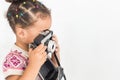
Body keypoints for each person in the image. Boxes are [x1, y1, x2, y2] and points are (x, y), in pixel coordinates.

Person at [2, 0, 60, 80]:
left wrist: (55, 56)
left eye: (48, 31)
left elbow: (52, 76)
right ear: (21, 33)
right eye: (43, 32)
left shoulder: (39, 50)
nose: (47, 35)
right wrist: (33, 65)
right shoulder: (12, 60)